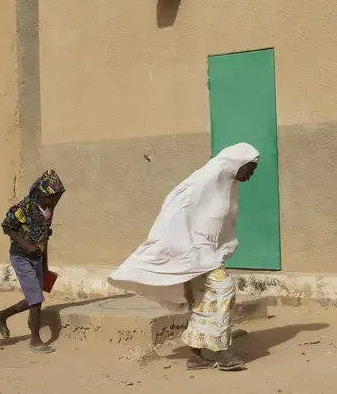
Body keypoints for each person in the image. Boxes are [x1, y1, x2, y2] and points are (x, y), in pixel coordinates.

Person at [108, 143, 260, 371]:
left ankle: (196, 356)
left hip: (206, 252)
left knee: (203, 298)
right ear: (238, 163)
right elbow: (178, 204)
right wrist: (176, 244)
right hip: (193, 250)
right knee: (224, 289)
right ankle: (221, 352)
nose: (252, 173)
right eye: (250, 167)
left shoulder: (227, 184)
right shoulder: (206, 177)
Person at [0, 170, 65, 354]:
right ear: (43, 195)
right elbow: (6, 226)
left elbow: (45, 236)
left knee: (34, 297)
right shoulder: (24, 207)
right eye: (55, 196)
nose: (58, 199)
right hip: (21, 256)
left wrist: (45, 265)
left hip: (37, 257)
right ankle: (35, 339)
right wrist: (25, 244)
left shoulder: (49, 209)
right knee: (36, 298)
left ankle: (1, 315)